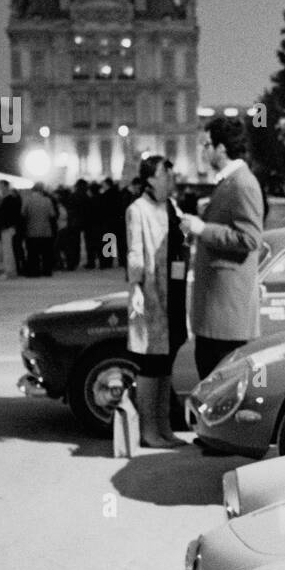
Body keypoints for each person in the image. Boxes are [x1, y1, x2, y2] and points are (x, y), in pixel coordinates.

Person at [181, 116, 264, 381]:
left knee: (221, 395)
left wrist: (202, 229)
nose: (203, 151)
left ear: (221, 148)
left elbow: (250, 239)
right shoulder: (229, 183)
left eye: (207, 145)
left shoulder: (242, 183)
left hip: (226, 318)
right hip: (218, 315)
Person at [125, 155, 189, 448]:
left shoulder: (172, 207)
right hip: (151, 294)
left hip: (174, 293)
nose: (171, 179)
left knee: (166, 362)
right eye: (166, 174)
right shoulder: (137, 210)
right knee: (151, 363)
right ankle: (149, 431)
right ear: (150, 179)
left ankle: (164, 428)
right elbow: (135, 252)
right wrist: (136, 288)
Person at [21, 182, 57, 276]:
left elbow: (23, 214)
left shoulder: (27, 200)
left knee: (33, 254)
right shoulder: (47, 200)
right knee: (46, 253)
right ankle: (47, 271)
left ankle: (34, 271)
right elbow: (52, 215)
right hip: (46, 231)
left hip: (31, 230)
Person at [0, 180, 22, 277]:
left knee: (8, 251)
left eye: (1, 186)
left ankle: (9, 271)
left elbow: (10, 215)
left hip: (7, 227)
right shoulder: (8, 199)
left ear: (5, 187)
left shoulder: (9, 200)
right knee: (6, 250)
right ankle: (9, 270)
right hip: (7, 227)